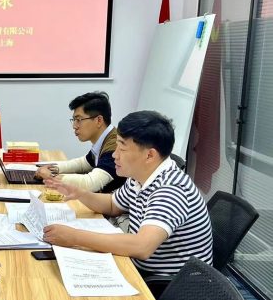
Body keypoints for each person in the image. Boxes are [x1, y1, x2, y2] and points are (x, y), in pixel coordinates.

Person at [42, 110, 213, 277]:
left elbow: (142, 246)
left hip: (167, 285)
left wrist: (74, 237)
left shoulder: (171, 190)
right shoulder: (140, 176)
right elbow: (112, 205)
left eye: (122, 149)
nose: (115, 155)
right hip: (138, 268)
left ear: (149, 155)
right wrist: (80, 194)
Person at [35, 91, 124, 193]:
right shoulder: (105, 139)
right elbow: (83, 164)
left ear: (99, 120)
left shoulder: (115, 145)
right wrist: (51, 168)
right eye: (74, 120)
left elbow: (90, 184)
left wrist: (50, 176)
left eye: (79, 120)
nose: (74, 126)